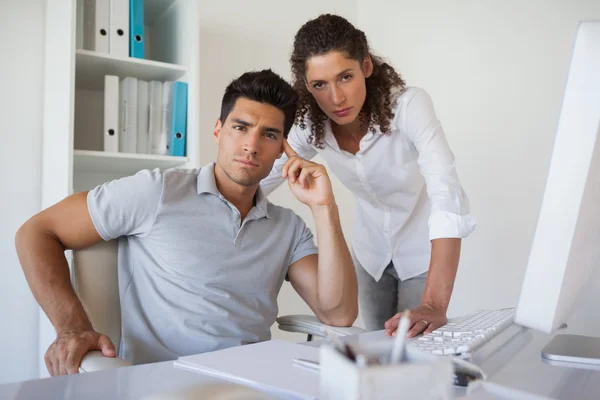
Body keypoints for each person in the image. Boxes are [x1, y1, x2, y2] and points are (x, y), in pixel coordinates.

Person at [15, 69, 358, 376]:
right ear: (218, 130)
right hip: (165, 384)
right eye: (241, 127)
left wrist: (324, 206)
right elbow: (36, 232)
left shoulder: (288, 227)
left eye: (269, 135)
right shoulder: (157, 191)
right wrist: (72, 328)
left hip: (251, 385)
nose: (251, 145)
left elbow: (339, 315)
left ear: (283, 149)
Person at [261, 14, 476, 338]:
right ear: (307, 86)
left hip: (422, 251)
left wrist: (434, 303)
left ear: (366, 67)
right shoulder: (310, 125)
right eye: (320, 84)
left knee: (416, 355)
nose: (336, 98)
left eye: (345, 76)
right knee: (377, 346)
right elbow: (261, 178)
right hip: (370, 251)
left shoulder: (409, 107)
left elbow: (446, 192)